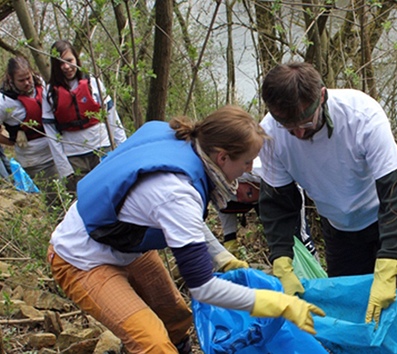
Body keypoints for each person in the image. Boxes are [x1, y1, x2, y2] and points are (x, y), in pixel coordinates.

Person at [47, 106, 325, 353]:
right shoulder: (176, 191)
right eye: (247, 162)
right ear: (223, 157)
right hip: (81, 258)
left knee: (176, 317)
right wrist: (279, 304)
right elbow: (204, 289)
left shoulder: (185, 141)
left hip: (125, 244)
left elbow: (182, 219)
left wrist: (222, 257)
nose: (249, 169)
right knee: (152, 343)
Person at [258, 62, 397, 354]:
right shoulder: (270, 132)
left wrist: (387, 267)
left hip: (390, 211)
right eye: (288, 127)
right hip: (339, 224)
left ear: (322, 96)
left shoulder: (362, 114)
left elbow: (393, 193)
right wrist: (282, 262)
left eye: (305, 124)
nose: (298, 135)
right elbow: (278, 204)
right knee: (350, 308)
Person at [42, 40, 127, 189]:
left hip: (101, 148)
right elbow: (51, 133)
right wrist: (64, 168)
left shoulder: (93, 83)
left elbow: (112, 117)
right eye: (60, 63)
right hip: (74, 156)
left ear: (76, 59)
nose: (66, 67)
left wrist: (122, 148)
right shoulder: (49, 93)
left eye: (69, 61)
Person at [218, 156, 318, 257]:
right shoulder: (221, 185)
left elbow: (296, 189)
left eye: (249, 195)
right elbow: (224, 209)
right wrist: (229, 238)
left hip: (276, 188)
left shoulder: (265, 172)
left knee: (295, 237)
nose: (240, 199)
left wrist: (305, 241)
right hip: (243, 186)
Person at [0, 56, 69, 197]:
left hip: (59, 149)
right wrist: (11, 141)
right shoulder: (3, 102)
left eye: (28, 78)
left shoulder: (40, 82)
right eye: (21, 80)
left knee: (73, 191)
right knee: (55, 198)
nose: (27, 83)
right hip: (35, 159)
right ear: (11, 79)